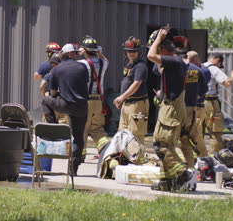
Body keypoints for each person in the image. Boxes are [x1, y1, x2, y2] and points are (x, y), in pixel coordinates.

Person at [147, 29, 192, 192]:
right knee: (166, 145)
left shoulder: (175, 61)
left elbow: (151, 56)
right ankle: (166, 181)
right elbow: (155, 66)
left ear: (163, 50)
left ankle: (181, 172)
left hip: (172, 107)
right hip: (170, 106)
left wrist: (157, 39)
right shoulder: (174, 62)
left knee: (162, 144)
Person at [41, 43, 88, 175]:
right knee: (78, 137)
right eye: (76, 53)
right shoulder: (83, 67)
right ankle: (73, 168)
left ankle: (53, 127)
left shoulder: (56, 70)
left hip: (65, 105)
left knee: (45, 100)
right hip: (81, 107)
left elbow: (53, 93)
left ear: (64, 54)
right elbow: (85, 83)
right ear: (72, 54)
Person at [113, 36, 150, 165]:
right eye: (129, 51)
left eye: (134, 51)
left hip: (138, 104)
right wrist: (123, 100)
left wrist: (121, 97)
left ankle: (137, 163)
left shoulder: (140, 66)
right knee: (122, 133)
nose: (131, 53)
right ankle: (125, 160)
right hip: (127, 103)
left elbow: (137, 83)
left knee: (136, 135)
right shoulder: (129, 65)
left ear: (138, 52)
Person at [78, 36, 110, 157]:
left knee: (83, 128)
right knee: (97, 128)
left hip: (86, 101)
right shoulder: (103, 63)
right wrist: (99, 52)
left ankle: (80, 154)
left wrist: (78, 54)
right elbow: (106, 60)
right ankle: (106, 149)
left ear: (85, 51)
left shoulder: (82, 63)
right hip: (99, 101)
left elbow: (72, 67)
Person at [176, 49, 208, 169]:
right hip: (192, 107)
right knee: (190, 136)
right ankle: (196, 163)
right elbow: (204, 88)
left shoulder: (176, 68)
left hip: (178, 107)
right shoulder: (196, 69)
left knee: (176, 136)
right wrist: (196, 96)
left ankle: (180, 164)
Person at [202, 52, 233, 153]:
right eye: (220, 64)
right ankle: (214, 157)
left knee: (198, 132)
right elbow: (226, 83)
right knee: (215, 131)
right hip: (210, 103)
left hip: (198, 103)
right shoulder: (213, 68)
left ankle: (199, 157)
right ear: (217, 60)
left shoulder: (200, 66)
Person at [187, 51, 211, 155]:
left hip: (198, 107)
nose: (189, 63)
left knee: (197, 133)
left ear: (195, 59)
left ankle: (203, 156)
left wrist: (194, 96)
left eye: (190, 60)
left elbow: (202, 88)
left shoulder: (204, 71)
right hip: (191, 106)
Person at [40, 53, 70, 125]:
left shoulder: (50, 74)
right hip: (62, 101)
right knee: (63, 127)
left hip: (50, 101)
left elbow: (42, 86)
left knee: (48, 128)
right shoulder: (67, 73)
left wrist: (44, 98)